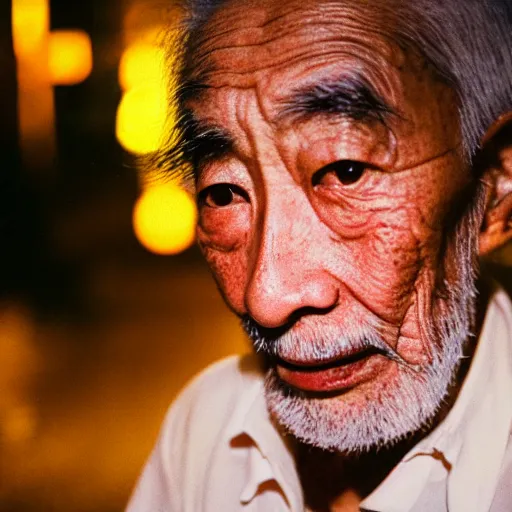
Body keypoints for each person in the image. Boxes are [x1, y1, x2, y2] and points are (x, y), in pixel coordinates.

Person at [127, 0, 512, 510]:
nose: (266, 297)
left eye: (345, 171)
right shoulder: (207, 430)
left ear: (496, 190)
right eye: (223, 193)